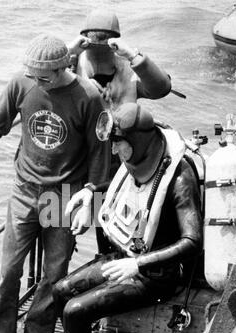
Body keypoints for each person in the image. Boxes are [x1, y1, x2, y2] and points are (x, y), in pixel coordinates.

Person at [29, 100, 203, 333]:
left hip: (159, 275)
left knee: (75, 311)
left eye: (118, 144)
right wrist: (89, 192)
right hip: (125, 258)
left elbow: (192, 241)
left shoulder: (179, 177)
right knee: (60, 290)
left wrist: (138, 264)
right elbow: (121, 185)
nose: (113, 152)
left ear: (136, 141)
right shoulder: (139, 157)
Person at [0, 34, 110, 333]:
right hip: (24, 191)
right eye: (33, 76)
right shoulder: (21, 83)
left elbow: (100, 151)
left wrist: (91, 192)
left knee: (54, 274)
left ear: (63, 67)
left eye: (44, 78)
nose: (37, 82)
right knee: (8, 271)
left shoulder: (89, 96)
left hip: (63, 197)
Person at [68, 9, 172, 253]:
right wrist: (70, 51)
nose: (99, 46)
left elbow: (162, 88)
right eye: (93, 40)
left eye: (105, 40)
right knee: (67, 220)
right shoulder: (73, 65)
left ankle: (120, 261)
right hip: (88, 163)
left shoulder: (128, 68)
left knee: (120, 229)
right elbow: (45, 80)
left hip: (125, 164)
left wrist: (134, 55)